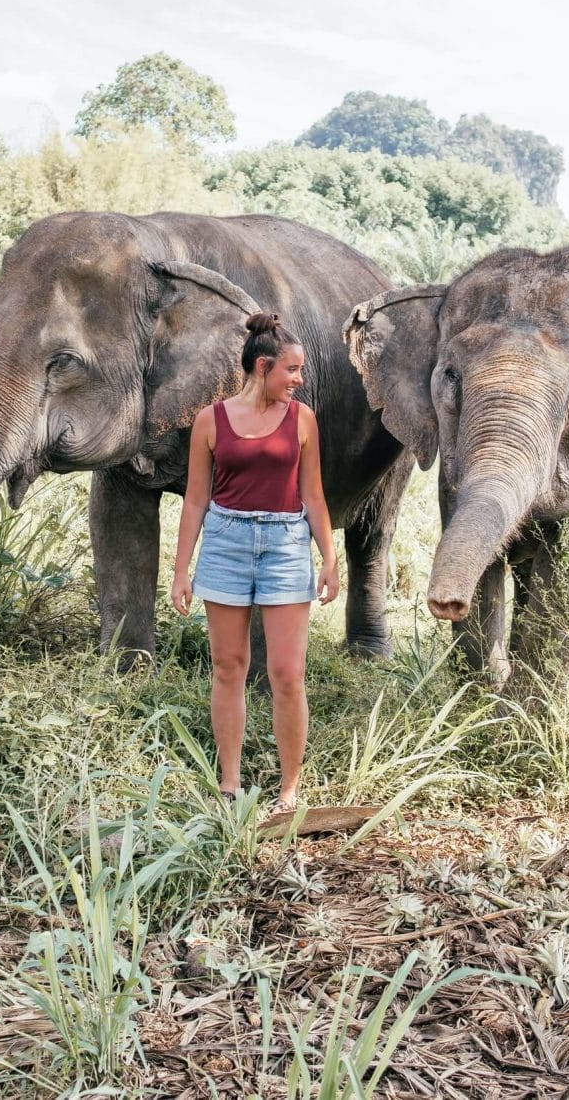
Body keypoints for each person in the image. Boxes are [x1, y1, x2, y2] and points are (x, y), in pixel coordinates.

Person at [170, 312, 340, 816]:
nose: (299, 380)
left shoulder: (302, 420)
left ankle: (289, 791)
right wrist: (181, 570)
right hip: (225, 542)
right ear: (262, 367)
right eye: (292, 370)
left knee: (287, 673)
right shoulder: (210, 421)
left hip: (286, 545)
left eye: (301, 371)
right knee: (229, 667)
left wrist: (330, 559)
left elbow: (313, 495)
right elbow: (195, 500)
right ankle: (229, 784)